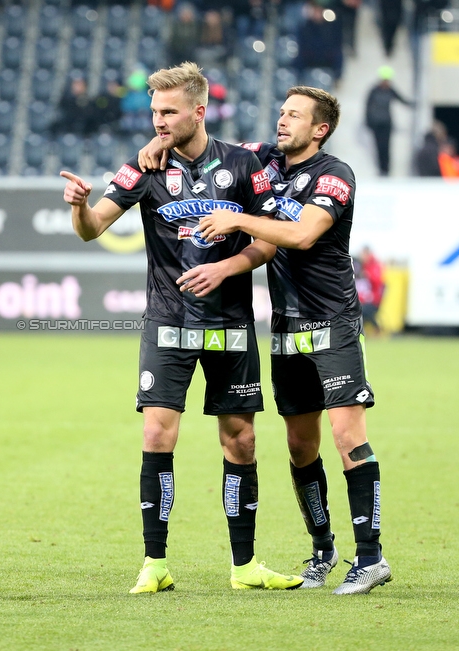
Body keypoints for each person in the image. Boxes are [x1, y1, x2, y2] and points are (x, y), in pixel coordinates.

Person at [61, 62, 302, 594]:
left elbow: (271, 237)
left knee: (240, 441)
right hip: (168, 322)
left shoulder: (245, 166)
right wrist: (79, 208)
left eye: (168, 112)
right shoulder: (144, 166)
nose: (158, 121)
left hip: (230, 324)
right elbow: (92, 229)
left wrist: (226, 266)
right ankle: (155, 563)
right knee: (156, 433)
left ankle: (244, 566)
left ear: (200, 110)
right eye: (154, 112)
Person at [139, 85, 391, 595]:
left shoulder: (334, 175)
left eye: (294, 115)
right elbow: (206, 149)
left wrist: (236, 218)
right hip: (285, 328)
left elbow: (301, 235)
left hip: (332, 323)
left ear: (320, 128)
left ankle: (371, 557)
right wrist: (157, 144)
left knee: (348, 437)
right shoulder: (265, 160)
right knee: (301, 446)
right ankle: (323, 549)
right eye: (281, 112)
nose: (282, 121)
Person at [364, 66, 413, 177]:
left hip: (387, 123)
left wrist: (411, 104)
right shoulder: (374, 91)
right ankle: (381, 168)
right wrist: (368, 121)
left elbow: (401, 99)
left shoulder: (390, 90)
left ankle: (386, 169)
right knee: (378, 147)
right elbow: (367, 106)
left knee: (387, 147)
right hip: (376, 124)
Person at [354, 246, 384, 334]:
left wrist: (367, 274)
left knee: (361, 310)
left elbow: (377, 281)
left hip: (373, 301)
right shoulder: (362, 266)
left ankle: (376, 330)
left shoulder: (374, 266)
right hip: (364, 299)